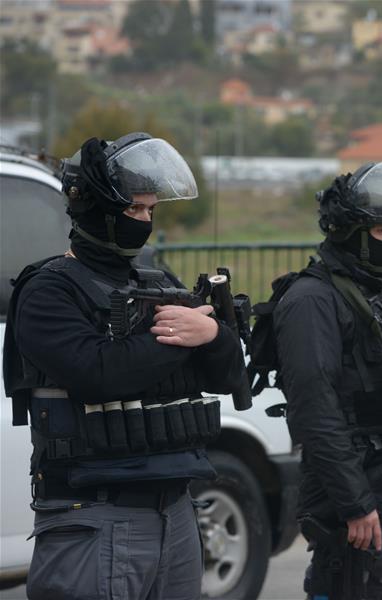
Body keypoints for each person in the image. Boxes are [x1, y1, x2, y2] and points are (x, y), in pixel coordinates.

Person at [2, 133, 247, 600]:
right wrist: (183, 338)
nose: (145, 221)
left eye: (151, 211)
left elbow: (228, 372)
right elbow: (98, 373)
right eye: (135, 209)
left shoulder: (159, 283)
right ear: (96, 209)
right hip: (95, 514)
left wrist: (212, 335)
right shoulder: (48, 291)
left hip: (175, 512)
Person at [274, 161, 382, 599]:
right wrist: (355, 503)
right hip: (352, 496)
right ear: (353, 234)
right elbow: (316, 410)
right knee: (346, 586)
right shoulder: (312, 300)